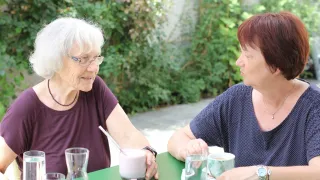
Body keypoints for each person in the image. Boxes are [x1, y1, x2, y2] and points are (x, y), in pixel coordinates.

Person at [0, 17, 158, 180]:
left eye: (96, 57)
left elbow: (128, 136)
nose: (94, 68)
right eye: (83, 59)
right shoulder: (27, 107)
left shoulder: (95, 88)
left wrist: (146, 152)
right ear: (57, 60)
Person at [168, 11, 320, 180]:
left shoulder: (314, 106)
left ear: (276, 66)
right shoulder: (237, 97)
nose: (238, 62)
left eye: (248, 55)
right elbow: (178, 137)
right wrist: (188, 148)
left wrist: (261, 173)